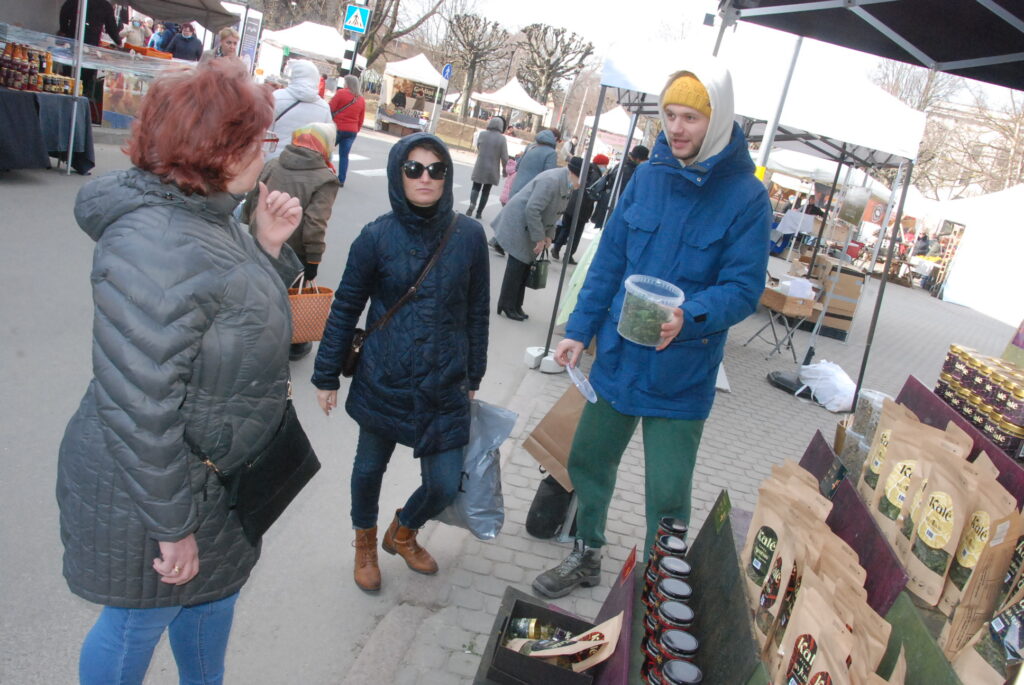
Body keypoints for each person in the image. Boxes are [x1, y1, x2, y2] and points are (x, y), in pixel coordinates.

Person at [57, 58, 304, 684]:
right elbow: (140, 403)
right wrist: (173, 527)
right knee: (138, 621)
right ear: (215, 149)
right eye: (258, 142)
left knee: (211, 599)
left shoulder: (205, 214)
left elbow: (231, 319)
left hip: (209, 479)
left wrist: (268, 247)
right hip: (157, 485)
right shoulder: (160, 239)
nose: (265, 155)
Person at [532, 65, 771, 598]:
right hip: (618, 358)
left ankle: (659, 586)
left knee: (667, 492)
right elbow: (610, 260)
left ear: (717, 120)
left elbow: (744, 287)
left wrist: (692, 315)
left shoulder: (747, 198)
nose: (677, 127)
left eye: (691, 116)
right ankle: (587, 552)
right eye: (669, 115)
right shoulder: (648, 177)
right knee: (587, 459)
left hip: (681, 371)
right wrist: (580, 328)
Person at [312, 133, 489, 593]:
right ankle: (365, 543)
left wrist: (475, 373)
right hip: (384, 375)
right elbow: (346, 308)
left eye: (436, 169)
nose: (425, 177)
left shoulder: (469, 236)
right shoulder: (376, 237)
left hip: (445, 380)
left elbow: (476, 310)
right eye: (414, 168)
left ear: (448, 176)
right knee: (369, 467)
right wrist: (326, 374)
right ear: (398, 174)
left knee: (445, 484)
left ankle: (404, 529)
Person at [243, 122, 341, 361]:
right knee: (290, 298)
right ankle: (293, 345)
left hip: (257, 238)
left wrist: (248, 226)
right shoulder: (324, 179)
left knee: (256, 290)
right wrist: (313, 261)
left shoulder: (274, 163)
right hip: (292, 250)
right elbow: (315, 224)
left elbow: (253, 197)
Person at [493, 156, 584, 321]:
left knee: (525, 266)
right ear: (573, 173)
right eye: (581, 180)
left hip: (532, 225)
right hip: (519, 222)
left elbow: (556, 213)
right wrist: (540, 238)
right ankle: (506, 305)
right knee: (517, 265)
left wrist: (550, 236)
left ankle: (515, 305)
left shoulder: (567, 183)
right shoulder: (552, 181)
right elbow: (532, 209)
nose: (581, 185)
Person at [489, 128, 560, 255]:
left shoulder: (530, 147)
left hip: (517, 185)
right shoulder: (551, 154)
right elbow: (550, 175)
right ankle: (498, 241)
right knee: (521, 220)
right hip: (531, 189)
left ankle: (498, 241)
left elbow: (518, 165)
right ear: (554, 140)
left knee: (513, 215)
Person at [269, 60, 332, 161]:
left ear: (294, 75)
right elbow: (326, 145)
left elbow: (264, 132)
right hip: (305, 167)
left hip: (275, 161)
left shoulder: (277, 97)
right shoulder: (324, 108)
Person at [552, 160, 602, 264]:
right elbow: (593, 192)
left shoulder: (584, 169)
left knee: (565, 228)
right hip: (582, 208)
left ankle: (556, 248)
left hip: (570, 204)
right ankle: (568, 255)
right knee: (576, 233)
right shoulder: (596, 175)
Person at [467, 116, 509, 220]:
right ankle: (479, 212)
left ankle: (472, 204)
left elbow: (478, 146)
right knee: (486, 191)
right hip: (492, 168)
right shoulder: (502, 139)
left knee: (476, 186)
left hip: (480, 165)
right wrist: (504, 170)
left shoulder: (482, 134)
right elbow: (504, 157)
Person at [328, 74, 366, 187]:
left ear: (347, 84)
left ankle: (322, 172)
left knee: (326, 151)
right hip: (351, 130)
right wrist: (356, 129)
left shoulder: (341, 93)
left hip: (337, 127)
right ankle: (341, 179)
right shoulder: (361, 100)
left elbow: (330, 108)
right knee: (344, 155)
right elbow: (361, 118)